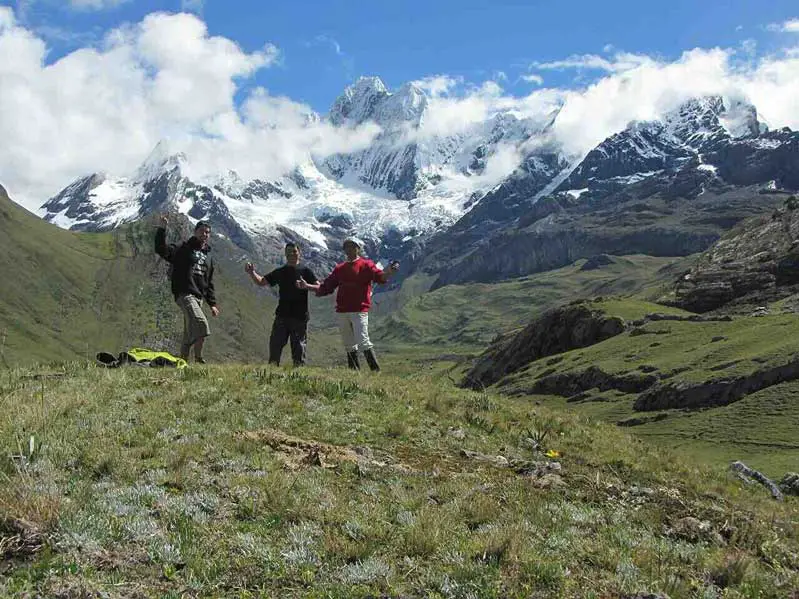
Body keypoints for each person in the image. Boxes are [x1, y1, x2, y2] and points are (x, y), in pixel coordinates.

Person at [297, 237, 398, 371]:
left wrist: (390, 272)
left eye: (352, 246)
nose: (349, 249)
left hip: (359, 310)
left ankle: (375, 371)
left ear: (358, 248)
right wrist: (307, 286)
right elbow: (326, 287)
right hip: (342, 311)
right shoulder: (340, 268)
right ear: (344, 250)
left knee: (363, 340)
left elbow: (380, 277)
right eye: (347, 247)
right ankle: (354, 373)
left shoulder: (366, 265)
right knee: (348, 343)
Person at [154, 214, 220, 363]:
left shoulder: (208, 257)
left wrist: (213, 304)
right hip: (184, 294)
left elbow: (208, 282)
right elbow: (161, 249)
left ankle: (182, 361)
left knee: (189, 332)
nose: (205, 234)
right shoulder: (183, 248)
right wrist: (162, 229)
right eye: (202, 231)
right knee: (201, 323)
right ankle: (198, 359)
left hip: (198, 297)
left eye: (208, 232)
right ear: (195, 232)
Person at [245, 243, 318, 367]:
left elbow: (319, 287)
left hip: (300, 316)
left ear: (299, 253)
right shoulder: (280, 271)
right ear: (285, 254)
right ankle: (272, 371)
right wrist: (252, 273)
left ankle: (298, 375)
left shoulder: (306, 271)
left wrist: (307, 286)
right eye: (289, 252)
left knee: (299, 349)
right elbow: (262, 281)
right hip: (282, 315)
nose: (292, 254)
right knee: (275, 346)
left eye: (294, 251)